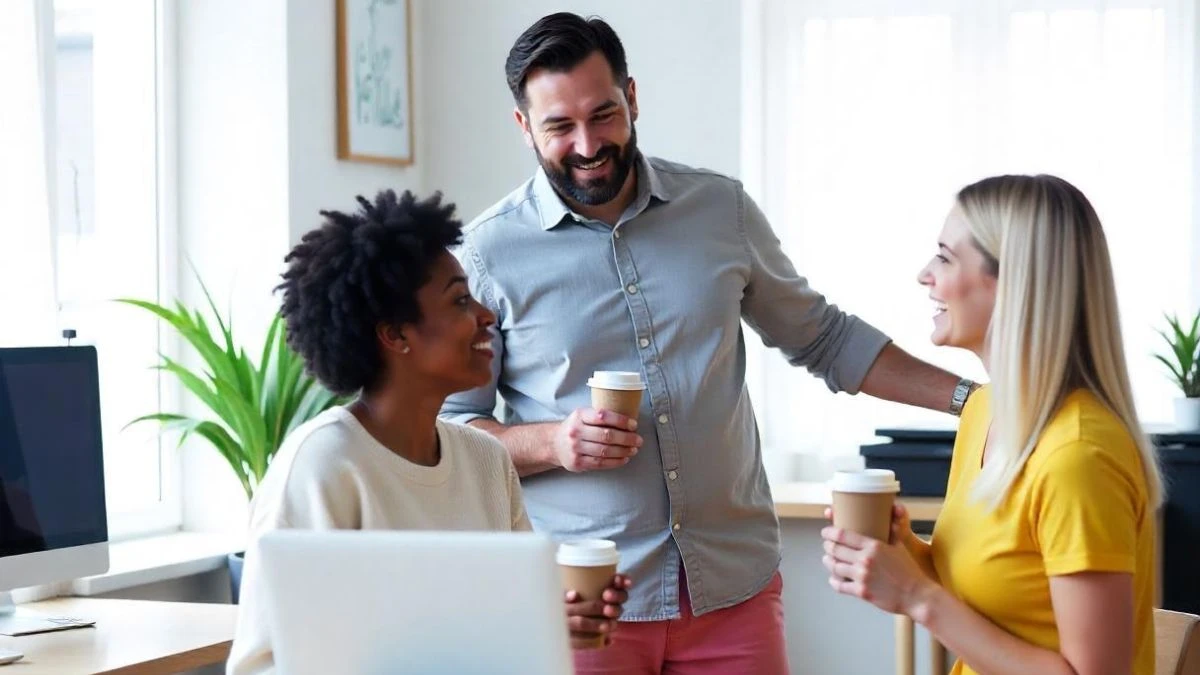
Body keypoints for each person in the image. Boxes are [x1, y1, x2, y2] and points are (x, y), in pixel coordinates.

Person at [439, 12, 973, 673]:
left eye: (603, 114)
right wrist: (554, 441)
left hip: (732, 590)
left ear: (632, 97)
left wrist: (975, 403)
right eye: (559, 126)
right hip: (583, 607)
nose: (586, 143)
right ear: (524, 128)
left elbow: (826, 338)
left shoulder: (720, 211)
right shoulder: (486, 256)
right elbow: (455, 435)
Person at [226, 190, 631, 675]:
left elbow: (500, 634)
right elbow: (261, 666)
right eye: (460, 300)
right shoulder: (323, 466)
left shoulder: (485, 459)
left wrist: (551, 623)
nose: (487, 316)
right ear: (395, 334)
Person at [820, 175, 1162, 674]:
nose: (924, 274)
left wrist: (917, 597)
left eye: (944, 256)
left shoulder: (1079, 457)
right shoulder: (986, 411)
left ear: (1013, 282)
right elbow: (1001, 590)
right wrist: (906, 555)